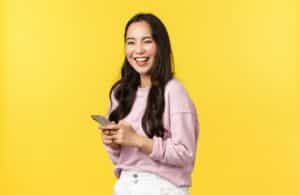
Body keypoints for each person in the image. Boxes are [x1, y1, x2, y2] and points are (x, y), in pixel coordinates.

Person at [99, 13, 200, 195]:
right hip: (126, 184)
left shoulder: (174, 91)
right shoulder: (120, 93)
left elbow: (185, 153)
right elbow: (120, 159)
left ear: (160, 46)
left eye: (146, 41)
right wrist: (113, 143)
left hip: (163, 187)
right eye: (131, 42)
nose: (138, 50)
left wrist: (136, 140)